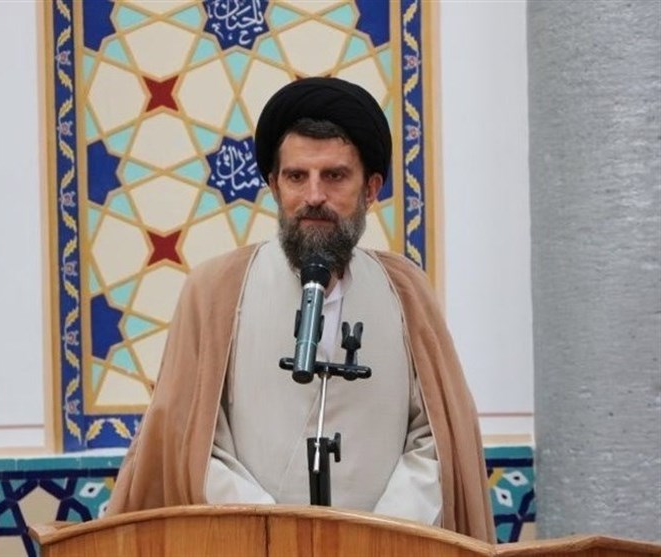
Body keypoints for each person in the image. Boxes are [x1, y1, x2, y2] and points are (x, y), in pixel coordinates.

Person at [106, 77, 495, 542]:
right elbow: (189, 444)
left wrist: (374, 538)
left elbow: (436, 439)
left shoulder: (406, 294)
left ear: (371, 188)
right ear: (274, 185)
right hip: (250, 546)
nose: (313, 196)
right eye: (296, 177)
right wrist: (281, 536)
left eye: (334, 176)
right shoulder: (214, 291)